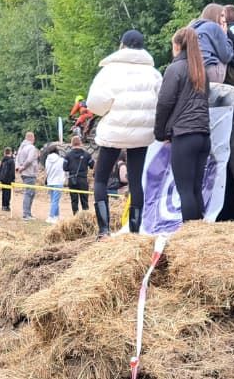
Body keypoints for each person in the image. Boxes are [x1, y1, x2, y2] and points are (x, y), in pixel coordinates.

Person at [85, 29, 162, 237]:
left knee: (100, 179)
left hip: (114, 132)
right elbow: (160, 103)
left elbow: (94, 104)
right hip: (142, 134)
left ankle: (103, 230)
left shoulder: (109, 72)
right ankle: (135, 232)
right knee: (136, 182)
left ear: (122, 45)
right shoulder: (154, 73)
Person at [155, 27, 213, 223]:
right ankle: (199, 233)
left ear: (177, 46)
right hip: (203, 135)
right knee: (196, 188)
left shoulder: (175, 69)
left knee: (185, 190)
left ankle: (189, 234)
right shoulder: (202, 71)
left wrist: (160, 132)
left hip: (184, 135)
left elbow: (164, 103)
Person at [189, 4, 234, 84]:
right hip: (210, 75)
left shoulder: (192, 29)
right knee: (224, 52)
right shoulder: (215, 27)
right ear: (215, 15)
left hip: (192, 73)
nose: (224, 20)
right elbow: (226, 56)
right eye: (222, 16)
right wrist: (225, 35)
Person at [63, 136, 94, 215]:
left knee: (74, 200)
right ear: (80, 143)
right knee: (84, 200)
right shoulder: (87, 154)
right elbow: (92, 165)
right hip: (83, 179)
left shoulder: (68, 155)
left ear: (71, 143)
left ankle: (75, 216)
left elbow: (65, 168)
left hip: (72, 179)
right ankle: (85, 217)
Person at [15, 132, 40, 220]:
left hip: (24, 173)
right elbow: (29, 160)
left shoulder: (21, 147)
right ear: (32, 138)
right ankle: (26, 214)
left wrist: (18, 167)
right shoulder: (32, 148)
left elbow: (17, 157)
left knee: (30, 193)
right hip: (29, 173)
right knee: (29, 193)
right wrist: (23, 167)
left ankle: (28, 213)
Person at [44, 143, 66, 223]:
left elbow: (46, 170)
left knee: (53, 200)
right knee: (55, 201)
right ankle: (51, 216)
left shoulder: (47, 160)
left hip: (50, 181)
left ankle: (56, 216)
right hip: (58, 181)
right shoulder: (61, 160)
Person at [0, 146, 15, 211]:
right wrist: (13, 179)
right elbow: (12, 171)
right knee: (8, 193)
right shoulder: (11, 161)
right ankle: (7, 206)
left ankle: (3, 205)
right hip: (8, 180)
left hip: (3, 179)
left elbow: (0, 169)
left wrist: (0, 177)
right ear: (10, 152)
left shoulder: (3, 160)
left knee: (4, 192)